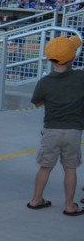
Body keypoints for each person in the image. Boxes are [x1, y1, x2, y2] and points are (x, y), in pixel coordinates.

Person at [26, 35, 84, 216]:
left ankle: (36, 199)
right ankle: (69, 205)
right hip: (74, 131)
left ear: (49, 57)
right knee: (70, 168)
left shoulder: (44, 82)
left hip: (51, 130)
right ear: (73, 58)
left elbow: (36, 101)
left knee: (45, 166)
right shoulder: (80, 77)